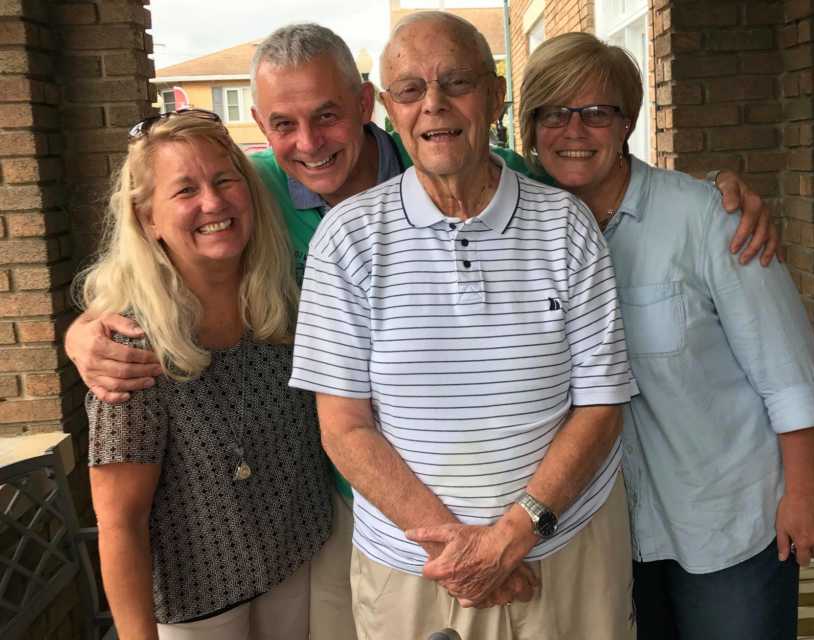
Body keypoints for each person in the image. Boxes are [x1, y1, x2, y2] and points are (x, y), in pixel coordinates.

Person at [65, 21, 776, 640]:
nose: (309, 142)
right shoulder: (258, 194)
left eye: (455, 83)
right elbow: (164, 226)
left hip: (558, 536)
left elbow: (595, 182)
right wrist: (84, 330)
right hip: (372, 525)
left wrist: (712, 192)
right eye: (284, 125)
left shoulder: (551, 211)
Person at [292, 12, 639, 639]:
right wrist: (464, 559)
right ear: (388, 111)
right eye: (410, 90)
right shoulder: (347, 240)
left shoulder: (564, 224)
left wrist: (513, 534)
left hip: (568, 550)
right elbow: (344, 428)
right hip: (417, 570)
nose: (435, 105)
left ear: (496, 95)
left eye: (456, 83)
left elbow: (601, 404)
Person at [519, 32, 814, 640]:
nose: (574, 131)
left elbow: (787, 369)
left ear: (628, 121)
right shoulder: (525, 232)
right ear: (531, 128)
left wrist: (804, 492)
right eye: (554, 113)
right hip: (604, 532)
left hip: (727, 523)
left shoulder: (707, 218)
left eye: (596, 112)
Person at [80, 110, 332, 639]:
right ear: (147, 217)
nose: (213, 203)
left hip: (297, 567)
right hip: (198, 606)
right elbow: (120, 522)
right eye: (184, 190)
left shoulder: (288, 302)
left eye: (224, 180)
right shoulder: (131, 343)